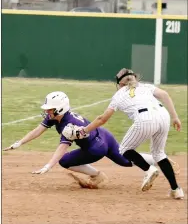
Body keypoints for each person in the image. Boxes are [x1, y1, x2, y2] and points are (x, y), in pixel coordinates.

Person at [4, 91, 177, 189]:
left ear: (59, 109)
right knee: (126, 160)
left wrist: (48, 166)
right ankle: (160, 159)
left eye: (50, 109)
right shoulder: (56, 117)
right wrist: (19, 142)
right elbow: (37, 130)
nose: (47, 111)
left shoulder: (68, 125)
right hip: (104, 135)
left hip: (96, 148)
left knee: (64, 161)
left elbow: (61, 149)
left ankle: (97, 176)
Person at [70, 68, 184, 199]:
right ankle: (176, 189)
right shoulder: (146, 87)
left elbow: (103, 119)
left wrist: (84, 130)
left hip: (145, 118)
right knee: (159, 154)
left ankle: (149, 170)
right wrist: (175, 117)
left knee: (124, 149)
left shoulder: (119, 94)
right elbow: (164, 94)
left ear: (120, 84)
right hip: (164, 117)